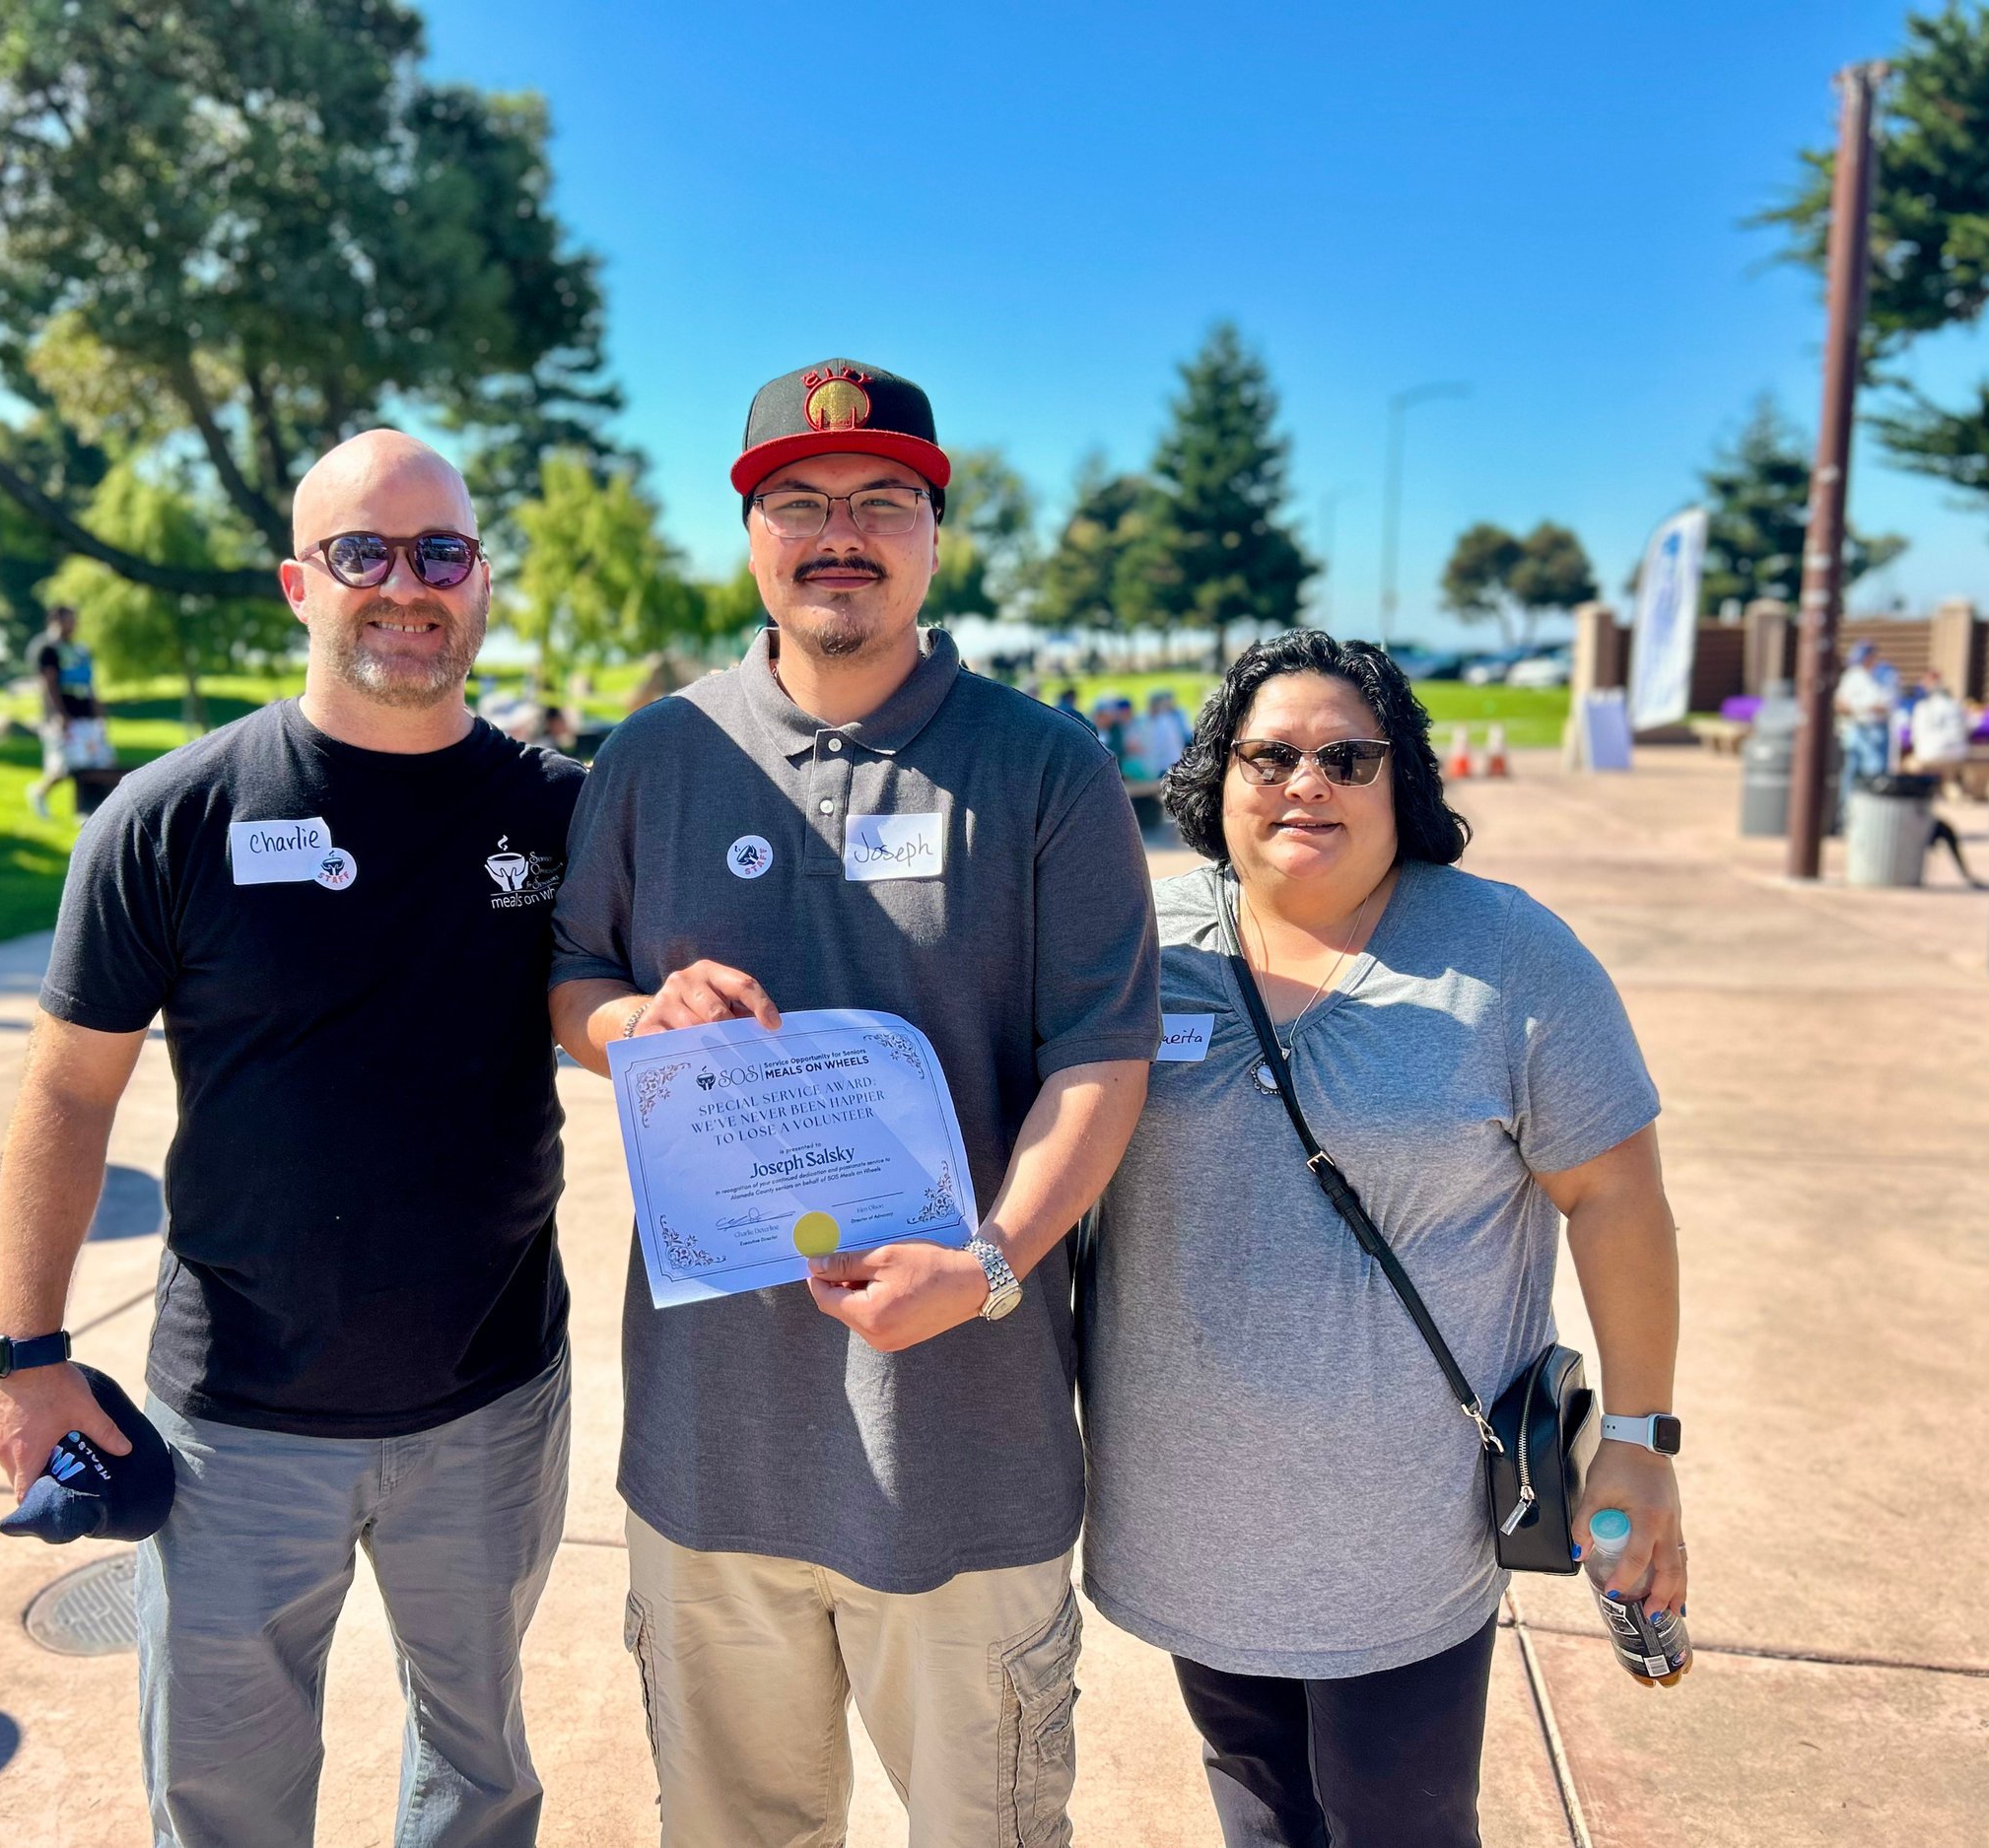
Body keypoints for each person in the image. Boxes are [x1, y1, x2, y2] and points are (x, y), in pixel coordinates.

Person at [549, 358, 1160, 1848]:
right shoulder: (656, 757)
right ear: (751, 534)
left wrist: (996, 1260)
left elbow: (1104, 1051)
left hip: (964, 1453)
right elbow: (569, 975)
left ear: (935, 535)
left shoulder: (1046, 767)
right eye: (803, 502)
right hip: (709, 1453)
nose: (843, 533)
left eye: (883, 500)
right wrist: (641, 1017)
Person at [0, 430, 583, 1848]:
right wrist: (25, 1352)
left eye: (439, 550)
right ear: (296, 585)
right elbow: (68, 1094)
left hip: (493, 1398)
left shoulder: (558, 812)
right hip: (238, 1416)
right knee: (225, 1800)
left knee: (479, 1773)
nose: (404, 584)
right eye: (359, 552)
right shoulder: (172, 816)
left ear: (478, 576)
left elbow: (633, 1008)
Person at [1079, 631, 1685, 1848]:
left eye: (1347, 757)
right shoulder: (1137, 939)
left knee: (1395, 1820)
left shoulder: (1507, 957)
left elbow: (1616, 1199)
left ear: (1402, 780)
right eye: (1270, 756)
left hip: (1401, 1534)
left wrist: (1637, 1440)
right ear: (1217, 778)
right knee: (1254, 1799)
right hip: (1196, 1517)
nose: (1306, 782)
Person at [26, 604, 108, 820]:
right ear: (55, 620)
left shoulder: (80, 650)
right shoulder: (48, 650)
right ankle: (40, 793)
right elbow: (49, 684)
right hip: (65, 717)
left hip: (86, 715)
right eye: (69, 619)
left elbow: (89, 684)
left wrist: (99, 712)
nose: (73, 624)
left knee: (94, 763)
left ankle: (87, 809)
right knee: (67, 765)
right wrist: (60, 715)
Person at [1833, 641, 1896, 804]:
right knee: (1850, 773)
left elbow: (1884, 706)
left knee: (1874, 775)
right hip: (1855, 728)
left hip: (1876, 730)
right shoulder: (1853, 674)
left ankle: (1870, 812)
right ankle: (1845, 814)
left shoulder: (1887, 673)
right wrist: (1863, 708)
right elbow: (1840, 704)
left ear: (1872, 657)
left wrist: (1855, 707)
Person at [1139, 687, 1192, 778]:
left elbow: (1157, 747)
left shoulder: (1164, 722)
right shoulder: (1154, 720)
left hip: (1167, 766)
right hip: (1166, 765)